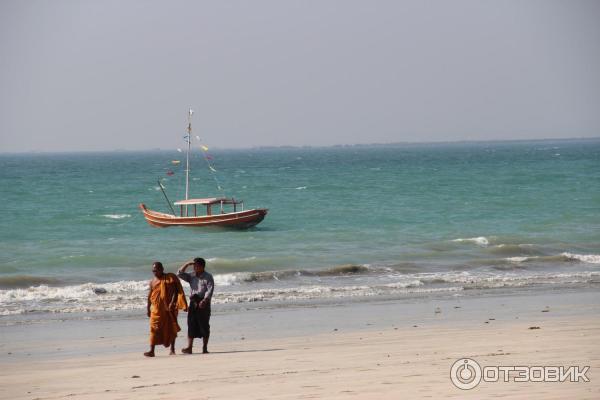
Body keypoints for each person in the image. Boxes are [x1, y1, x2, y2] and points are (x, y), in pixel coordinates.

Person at [144, 261, 188, 357]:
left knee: (171, 328)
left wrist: (173, 302)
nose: (155, 272)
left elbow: (176, 291)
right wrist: (148, 308)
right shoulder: (152, 281)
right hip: (156, 309)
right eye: (153, 271)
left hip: (169, 308)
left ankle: (172, 349)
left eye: (157, 270)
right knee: (153, 329)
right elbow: (150, 296)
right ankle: (152, 350)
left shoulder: (170, 277)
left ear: (162, 269)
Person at [178, 257, 214, 354]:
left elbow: (210, 290)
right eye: (194, 266)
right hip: (193, 302)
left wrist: (205, 300)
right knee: (191, 324)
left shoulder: (208, 276)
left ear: (202, 266)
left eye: (196, 266)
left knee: (204, 325)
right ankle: (189, 348)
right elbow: (179, 274)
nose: (194, 267)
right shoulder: (191, 276)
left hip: (203, 302)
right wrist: (187, 264)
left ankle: (205, 348)